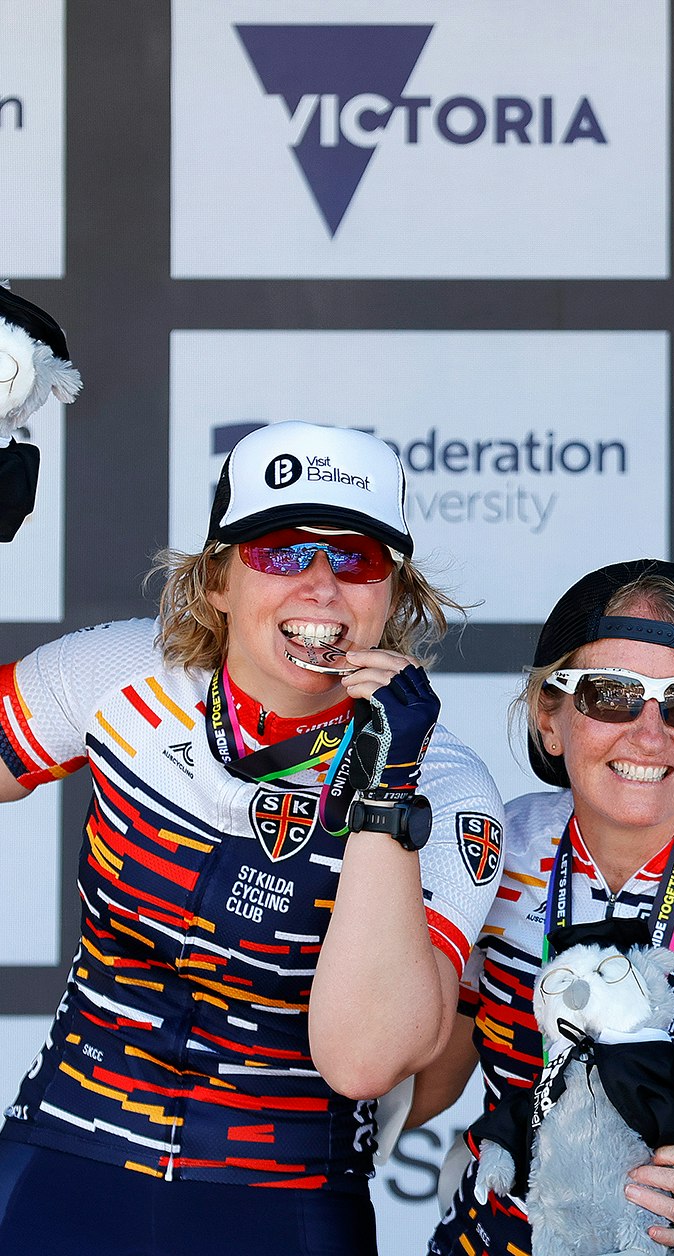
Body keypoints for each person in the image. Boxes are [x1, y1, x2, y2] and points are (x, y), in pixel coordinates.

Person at [0, 421, 503, 1256]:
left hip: (283, 1202)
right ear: (217, 581)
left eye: (355, 560)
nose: (321, 588)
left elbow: (364, 1061)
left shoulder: (446, 787)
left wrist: (384, 791)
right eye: (279, 551)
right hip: (65, 1161)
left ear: (394, 595)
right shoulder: (119, 676)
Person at [314, 558, 674, 1256]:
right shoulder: (492, 849)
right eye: (611, 694)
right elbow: (430, 1078)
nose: (650, 733)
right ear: (550, 716)